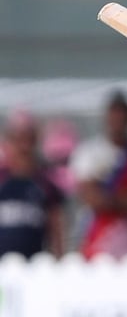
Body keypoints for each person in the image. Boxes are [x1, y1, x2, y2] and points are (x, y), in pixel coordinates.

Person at [69, 92, 127, 259]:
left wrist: (108, 196)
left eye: (122, 116)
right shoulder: (89, 152)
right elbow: (92, 197)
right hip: (98, 238)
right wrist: (123, 198)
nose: (118, 121)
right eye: (114, 115)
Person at [0, 110, 66, 258]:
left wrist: (59, 260)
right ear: (9, 142)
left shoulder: (47, 182)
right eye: (18, 139)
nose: (24, 146)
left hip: (34, 268)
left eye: (28, 139)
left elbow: (56, 227)